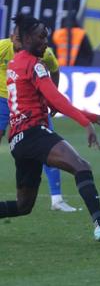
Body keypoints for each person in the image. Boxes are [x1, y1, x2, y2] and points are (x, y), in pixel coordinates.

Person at [0, 14, 100, 241]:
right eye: (41, 37)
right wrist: (85, 123)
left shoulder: (16, 63)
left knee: (24, 206)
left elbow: (51, 101)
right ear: (27, 38)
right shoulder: (34, 65)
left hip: (18, 139)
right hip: (32, 132)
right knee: (81, 166)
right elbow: (55, 97)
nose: (46, 42)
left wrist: (91, 116)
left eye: (46, 37)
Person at [0, 23, 77, 212]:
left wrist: (51, 99)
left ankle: (57, 199)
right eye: (17, 39)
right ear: (12, 38)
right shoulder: (3, 48)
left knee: (49, 144)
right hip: (3, 100)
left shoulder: (44, 54)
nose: (19, 43)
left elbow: (55, 71)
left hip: (30, 106)